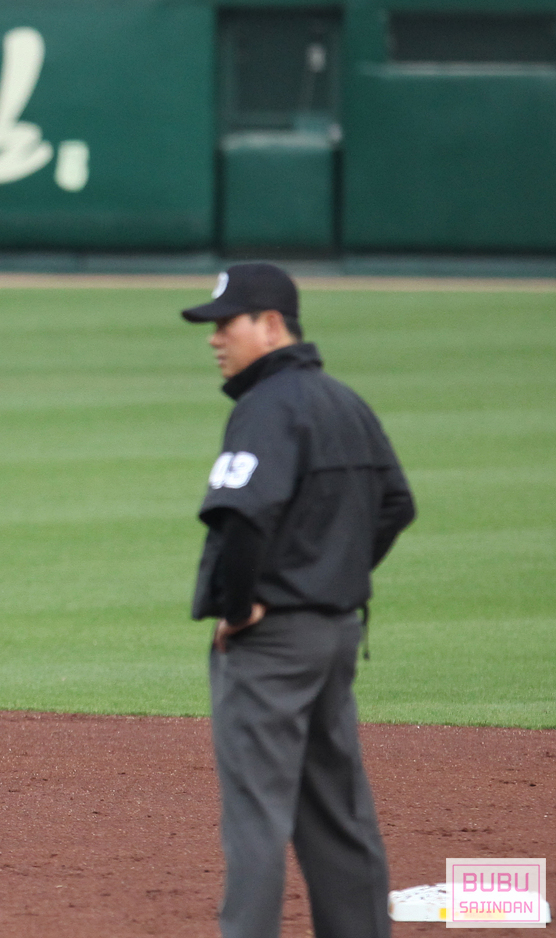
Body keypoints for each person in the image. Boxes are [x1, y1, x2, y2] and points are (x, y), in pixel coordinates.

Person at [181, 262, 416, 938]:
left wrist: (240, 607)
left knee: (257, 817)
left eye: (225, 324)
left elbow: (241, 517)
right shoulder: (344, 402)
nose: (214, 339)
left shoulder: (265, 408)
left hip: (274, 645)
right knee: (338, 812)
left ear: (271, 325)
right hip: (336, 633)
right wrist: (331, 577)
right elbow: (397, 504)